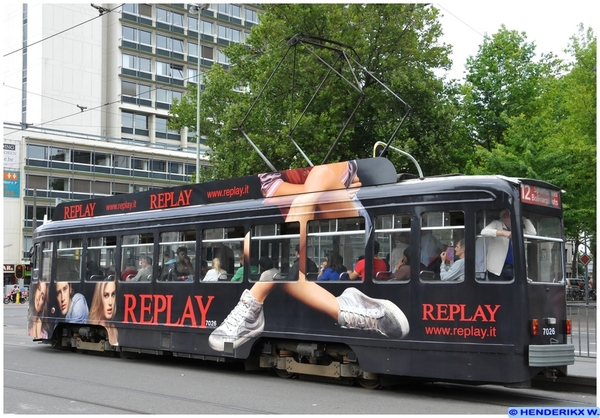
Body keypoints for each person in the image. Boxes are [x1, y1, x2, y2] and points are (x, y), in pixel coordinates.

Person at [208, 161, 409, 353]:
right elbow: (270, 193)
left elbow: (283, 193)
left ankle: (254, 302)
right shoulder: (269, 176)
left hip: (346, 219)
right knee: (255, 251)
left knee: (319, 174)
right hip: (297, 224)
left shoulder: (334, 166)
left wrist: (300, 193)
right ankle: (343, 308)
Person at [480, 209, 536, 281]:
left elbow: (532, 233)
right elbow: (484, 232)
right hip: (497, 269)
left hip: (515, 268)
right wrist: (503, 233)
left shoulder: (518, 229)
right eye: (510, 216)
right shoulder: (497, 223)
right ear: (504, 217)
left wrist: (523, 218)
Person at [88, 277, 118, 345]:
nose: (110, 302)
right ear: (99, 299)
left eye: (113, 295)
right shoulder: (95, 326)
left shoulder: (114, 329)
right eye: (106, 295)